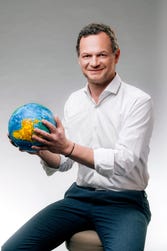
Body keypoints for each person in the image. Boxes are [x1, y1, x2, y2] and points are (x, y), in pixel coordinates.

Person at [2, 23, 154, 251]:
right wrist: (41, 148)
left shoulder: (138, 101)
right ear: (79, 59)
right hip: (79, 199)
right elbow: (64, 163)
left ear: (116, 55)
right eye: (87, 56)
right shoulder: (74, 101)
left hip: (125, 202)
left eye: (101, 54)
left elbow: (124, 163)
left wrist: (67, 147)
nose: (94, 62)